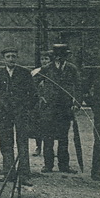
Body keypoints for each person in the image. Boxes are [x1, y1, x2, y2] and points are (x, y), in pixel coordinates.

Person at [0, 47, 36, 185]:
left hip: (21, 114)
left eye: (13, 56)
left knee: (22, 142)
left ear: (17, 58)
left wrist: (26, 109)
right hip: (4, 114)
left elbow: (33, 94)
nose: (11, 59)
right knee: (5, 142)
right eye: (8, 56)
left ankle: (24, 175)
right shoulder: (0, 74)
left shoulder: (24, 73)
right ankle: (8, 172)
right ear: (4, 59)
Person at [40, 44, 80, 174]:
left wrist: (77, 103)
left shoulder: (72, 69)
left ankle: (64, 166)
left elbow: (79, 87)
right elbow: (33, 83)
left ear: (66, 56)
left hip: (65, 109)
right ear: (53, 56)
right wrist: (40, 97)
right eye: (56, 55)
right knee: (48, 137)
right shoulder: (46, 69)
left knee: (63, 137)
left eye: (62, 55)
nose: (59, 58)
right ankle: (48, 165)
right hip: (49, 108)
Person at [30, 51, 52, 157]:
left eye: (46, 59)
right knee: (37, 125)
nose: (44, 61)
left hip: (50, 103)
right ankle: (38, 147)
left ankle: (50, 149)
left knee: (51, 126)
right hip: (38, 103)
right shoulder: (36, 71)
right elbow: (32, 86)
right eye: (42, 59)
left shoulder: (53, 71)